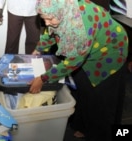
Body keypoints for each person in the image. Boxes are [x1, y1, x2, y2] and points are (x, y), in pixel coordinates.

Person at [29, 0, 128, 140]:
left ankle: (101, 134)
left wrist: (43, 78)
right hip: (91, 45)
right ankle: (83, 126)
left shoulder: (79, 31)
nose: (46, 23)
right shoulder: (63, 9)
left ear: (61, 14)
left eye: (49, 19)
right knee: (82, 88)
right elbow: (51, 33)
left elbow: (71, 63)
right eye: (43, 18)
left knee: (100, 101)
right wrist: (38, 49)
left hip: (111, 51)